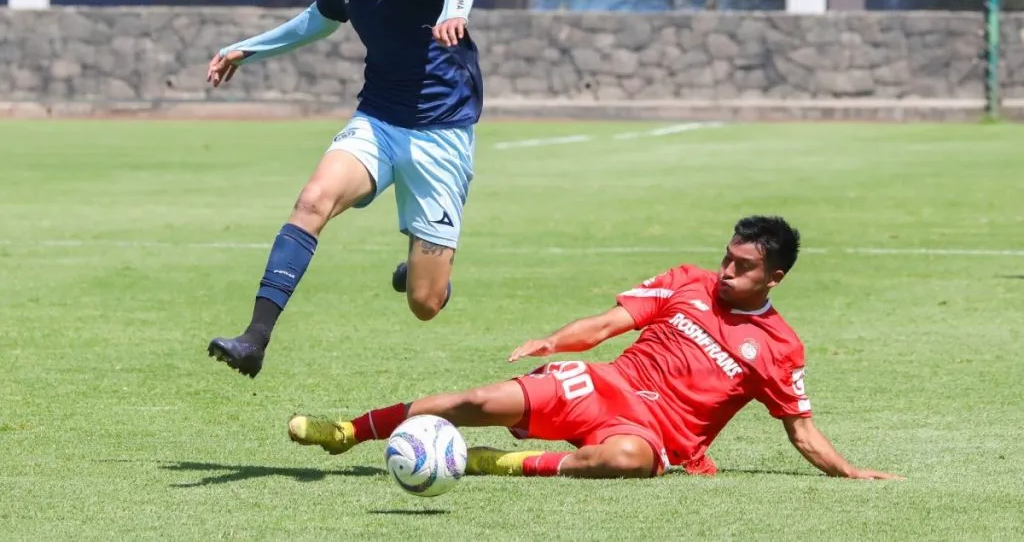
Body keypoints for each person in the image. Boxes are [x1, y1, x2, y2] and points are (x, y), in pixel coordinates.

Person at [287, 216, 902, 480]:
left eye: (742, 267)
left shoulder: (778, 346)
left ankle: (491, 463)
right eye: (726, 257)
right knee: (476, 398)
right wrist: (555, 340)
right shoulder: (688, 280)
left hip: (657, 434)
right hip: (605, 385)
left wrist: (849, 469)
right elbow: (609, 324)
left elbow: (801, 429)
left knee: (627, 461)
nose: (725, 271)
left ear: (774, 278)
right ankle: (349, 430)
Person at [205, 0, 483, 378]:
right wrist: (249, 48)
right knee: (313, 201)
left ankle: (425, 274)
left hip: (441, 130)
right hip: (378, 118)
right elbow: (317, 20)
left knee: (424, 303)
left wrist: (454, 11)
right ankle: (255, 340)